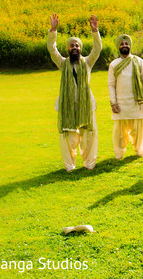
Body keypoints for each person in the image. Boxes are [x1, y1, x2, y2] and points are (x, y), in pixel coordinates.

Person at [47, 14, 101, 172]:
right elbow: (51, 49)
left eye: (77, 46)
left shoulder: (88, 62)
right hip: (67, 105)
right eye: (72, 46)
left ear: (80, 49)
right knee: (67, 136)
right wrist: (53, 30)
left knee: (89, 134)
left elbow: (97, 49)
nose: (75, 48)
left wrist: (95, 31)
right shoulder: (62, 63)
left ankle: (90, 163)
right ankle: (69, 166)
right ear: (68, 49)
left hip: (86, 105)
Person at [108, 35, 143, 159]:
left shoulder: (139, 61)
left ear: (130, 45)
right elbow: (111, 85)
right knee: (119, 134)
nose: (124, 46)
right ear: (118, 47)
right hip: (121, 104)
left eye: (126, 44)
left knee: (140, 131)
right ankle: (119, 154)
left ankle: (140, 152)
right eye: (122, 44)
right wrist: (113, 102)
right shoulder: (114, 64)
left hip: (137, 102)